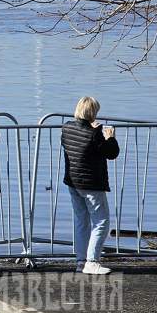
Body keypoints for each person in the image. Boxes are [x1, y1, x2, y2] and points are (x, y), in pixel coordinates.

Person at [62, 96, 120, 275]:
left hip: (73, 182)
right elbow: (111, 153)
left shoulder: (67, 128)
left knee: (82, 221)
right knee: (101, 221)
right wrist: (110, 137)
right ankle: (92, 261)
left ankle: (81, 261)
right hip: (91, 184)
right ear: (92, 113)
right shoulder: (94, 133)